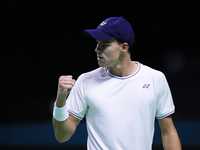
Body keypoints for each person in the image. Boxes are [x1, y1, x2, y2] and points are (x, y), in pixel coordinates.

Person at [52, 16, 182, 150]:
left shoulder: (155, 79)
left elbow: (168, 133)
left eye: (105, 44)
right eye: (97, 43)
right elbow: (62, 136)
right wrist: (61, 101)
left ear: (124, 47)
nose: (97, 49)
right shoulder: (85, 81)